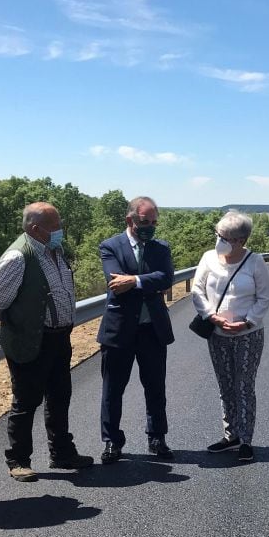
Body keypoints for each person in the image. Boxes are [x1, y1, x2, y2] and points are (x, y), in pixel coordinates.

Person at [0, 202, 93, 481]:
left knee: (59, 396)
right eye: (55, 227)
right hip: (31, 340)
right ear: (35, 228)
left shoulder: (54, 251)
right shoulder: (18, 257)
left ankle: (62, 454)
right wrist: (15, 324)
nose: (60, 232)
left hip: (58, 338)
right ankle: (18, 460)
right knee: (26, 401)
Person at [96, 196, 175, 464]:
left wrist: (136, 280)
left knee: (155, 387)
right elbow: (114, 282)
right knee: (112, 389)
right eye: (144, 222)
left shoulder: (160, 248)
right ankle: (111, 442)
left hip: (152, 329)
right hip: (119, 330)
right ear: (130, 220)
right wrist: (144, 283)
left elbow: (166, 278)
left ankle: (157, 437)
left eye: (153, 222)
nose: (150, 227)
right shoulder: (110, 246)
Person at [191, 210, 269, 463]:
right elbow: (197, 290)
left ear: (240, 240)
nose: (219, 240)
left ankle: (246, 439)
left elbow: (264, 298)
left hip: (247, 334)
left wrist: (247, 321)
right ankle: (231, 435)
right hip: (217, 333)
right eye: (219, 235)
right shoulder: (208, 258)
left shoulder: (255, 262)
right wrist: (210, 316)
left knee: (244, 386)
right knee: (225, 385)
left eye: (224, 236)